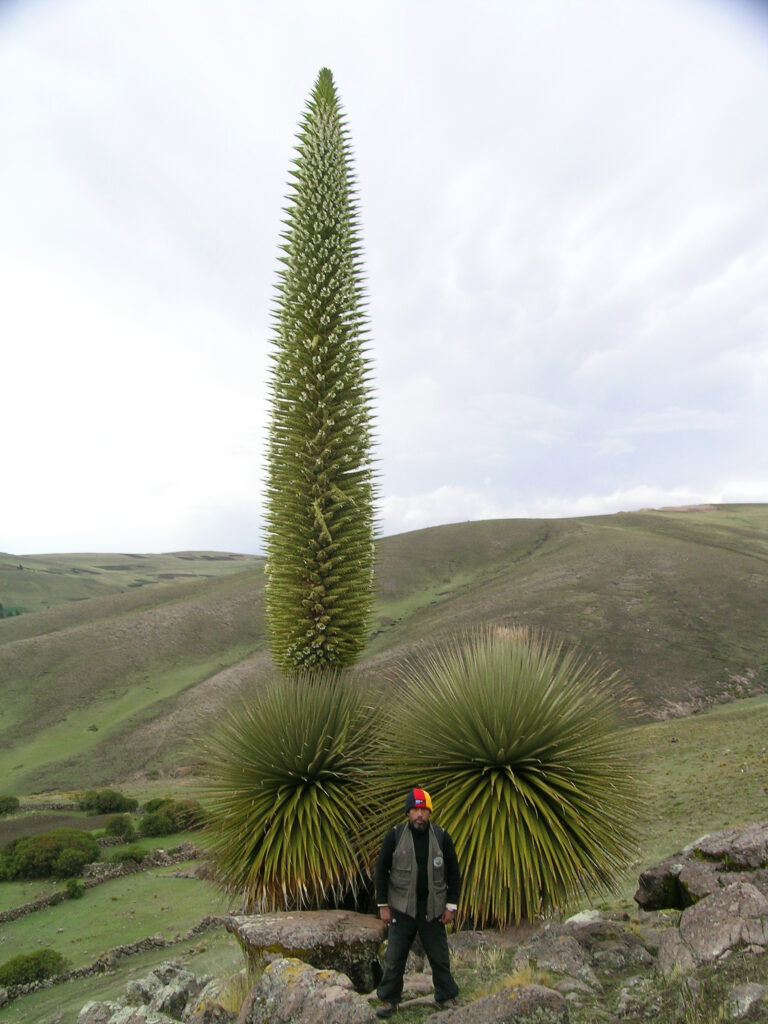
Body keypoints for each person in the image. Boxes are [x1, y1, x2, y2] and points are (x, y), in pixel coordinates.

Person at [374, 787, 461, 1018]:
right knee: (394, 957)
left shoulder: (442, 836)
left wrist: (451, 906)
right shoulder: (394, 835)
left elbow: (453, 873)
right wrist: (383, 905)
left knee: (440, 956)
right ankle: (387, 1000)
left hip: (432, 909)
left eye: (423, 809)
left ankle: (446, 996)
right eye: (415, 809)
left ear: (430, 812)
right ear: (407, 812)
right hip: (401, 908)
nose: (419, 814)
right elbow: (381, 870)